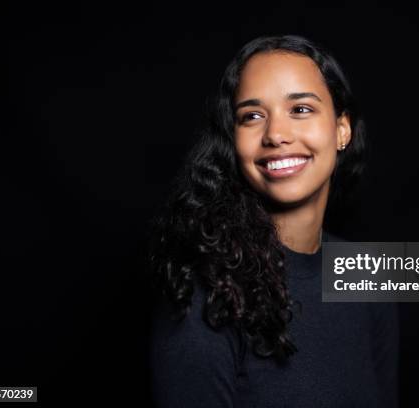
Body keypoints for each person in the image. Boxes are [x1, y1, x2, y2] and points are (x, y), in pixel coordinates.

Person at [147, 34, 399, 408]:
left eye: (300, 109)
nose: (276, 135)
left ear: (341, 129)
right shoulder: (205, 293)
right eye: (252, 116)